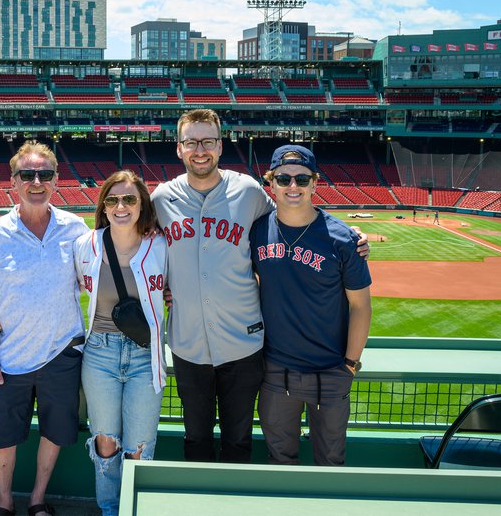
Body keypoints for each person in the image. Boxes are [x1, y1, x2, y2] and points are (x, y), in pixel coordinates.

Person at [151, 109, 368, 463]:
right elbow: (140, 245)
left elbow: (293, 213)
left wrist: (348, 235)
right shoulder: (161, 198)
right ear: (179, 149)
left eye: (208, 141)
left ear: (220, 146)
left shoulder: (249, 191)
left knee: (239, 438)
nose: (200, 150)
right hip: (188, 344)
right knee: (196, 437)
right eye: (191, 142)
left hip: (242, 344)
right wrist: (160, 286)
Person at [0, 140, 89, 516]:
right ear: (13, 182)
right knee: (5, 435)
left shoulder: (75, 228)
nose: (36, 181)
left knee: (55, 432)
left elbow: (95, 279)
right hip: (11, 356)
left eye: (45, 174)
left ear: (57, 180)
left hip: (61, 352)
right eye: (28, 174)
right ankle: (5, 500)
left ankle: (38, 498)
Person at [251, 145, 373, 466]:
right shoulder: (256, 233)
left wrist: (350, 364)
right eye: (284, 178)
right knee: (280, 462)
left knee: (331, 464)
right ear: (271, 184)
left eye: (302, 179)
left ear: (315, 184)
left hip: (331, 372)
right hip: (276, 373)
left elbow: (360, 305)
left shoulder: (344, 239)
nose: (293, 186)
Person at [73, 171, 167, 516]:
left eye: (129, 199)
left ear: (142, 203)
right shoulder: (86, 244)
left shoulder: (161, 244)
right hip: (100, 351)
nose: (121, 206)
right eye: (112, 200)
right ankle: (109, 509)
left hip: (146, 354)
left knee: (139, 446)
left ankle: (134, 509)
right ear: (103, 206)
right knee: (106, 442)